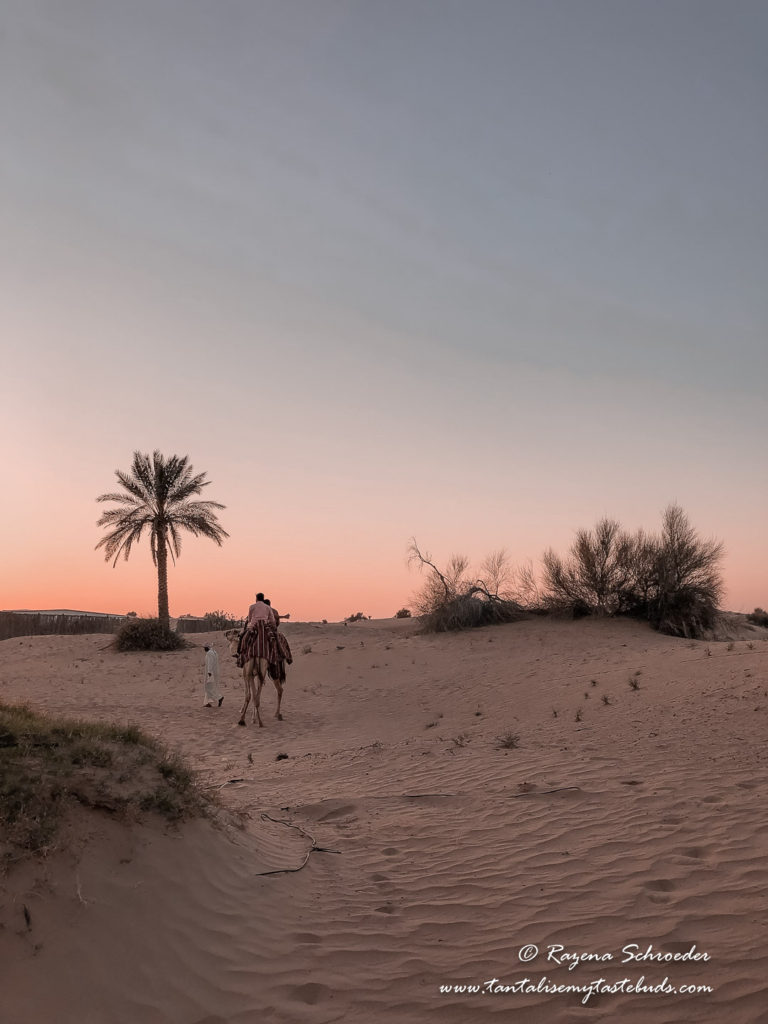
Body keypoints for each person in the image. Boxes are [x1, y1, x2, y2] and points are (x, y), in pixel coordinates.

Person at [203, 644, 223, 708]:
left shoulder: (209, 653)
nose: (204, 649)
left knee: (208, 687)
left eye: (205, 647)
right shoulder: (214, 652)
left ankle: (219, 697)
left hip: (211, 673)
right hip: (215, 672)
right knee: (212, 687)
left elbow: (210, 663)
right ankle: (209, 702)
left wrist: (209, 672)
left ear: (208, 647)